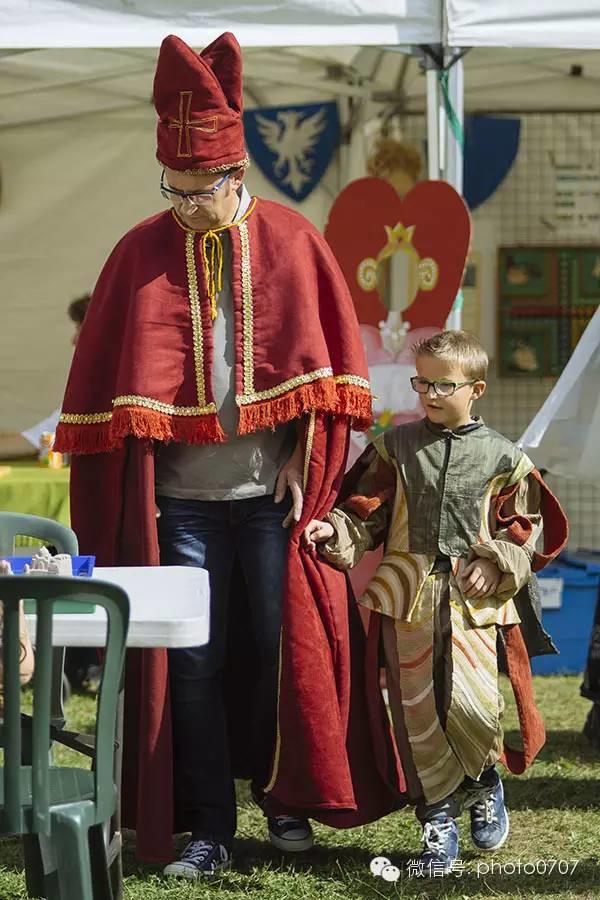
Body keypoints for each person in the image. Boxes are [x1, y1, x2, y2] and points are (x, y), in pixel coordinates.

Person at [55, 32, 401, 877]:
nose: (181, 205)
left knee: (280, 648)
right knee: (193, 665)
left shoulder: (292, 242)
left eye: (196, 190)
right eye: (168, 187)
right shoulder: (141, 248)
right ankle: (206, 823)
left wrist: (302, 455)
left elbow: (332, 384)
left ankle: (287, 807)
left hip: (268, 500)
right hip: (179, 504)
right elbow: (107, 385)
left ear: (235, 176)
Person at [304, 330, 569, 874]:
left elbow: (526, 528)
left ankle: (485, 781)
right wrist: (336, 531)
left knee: (473, 704)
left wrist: (495, 559)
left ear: (476, 389)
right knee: (416, 712)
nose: (427, 392)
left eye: (441, 384)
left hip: (476, 606)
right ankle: (437, 820)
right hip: (409, 600)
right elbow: (365, 510)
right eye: (419, 381)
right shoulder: (394, 448)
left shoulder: (504, 457)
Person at [0, 294, 90, 461]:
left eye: (79, 328)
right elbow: (38, 438)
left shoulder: (109, 388)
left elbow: (34, 441)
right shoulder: (89, 388)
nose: (73, 340)